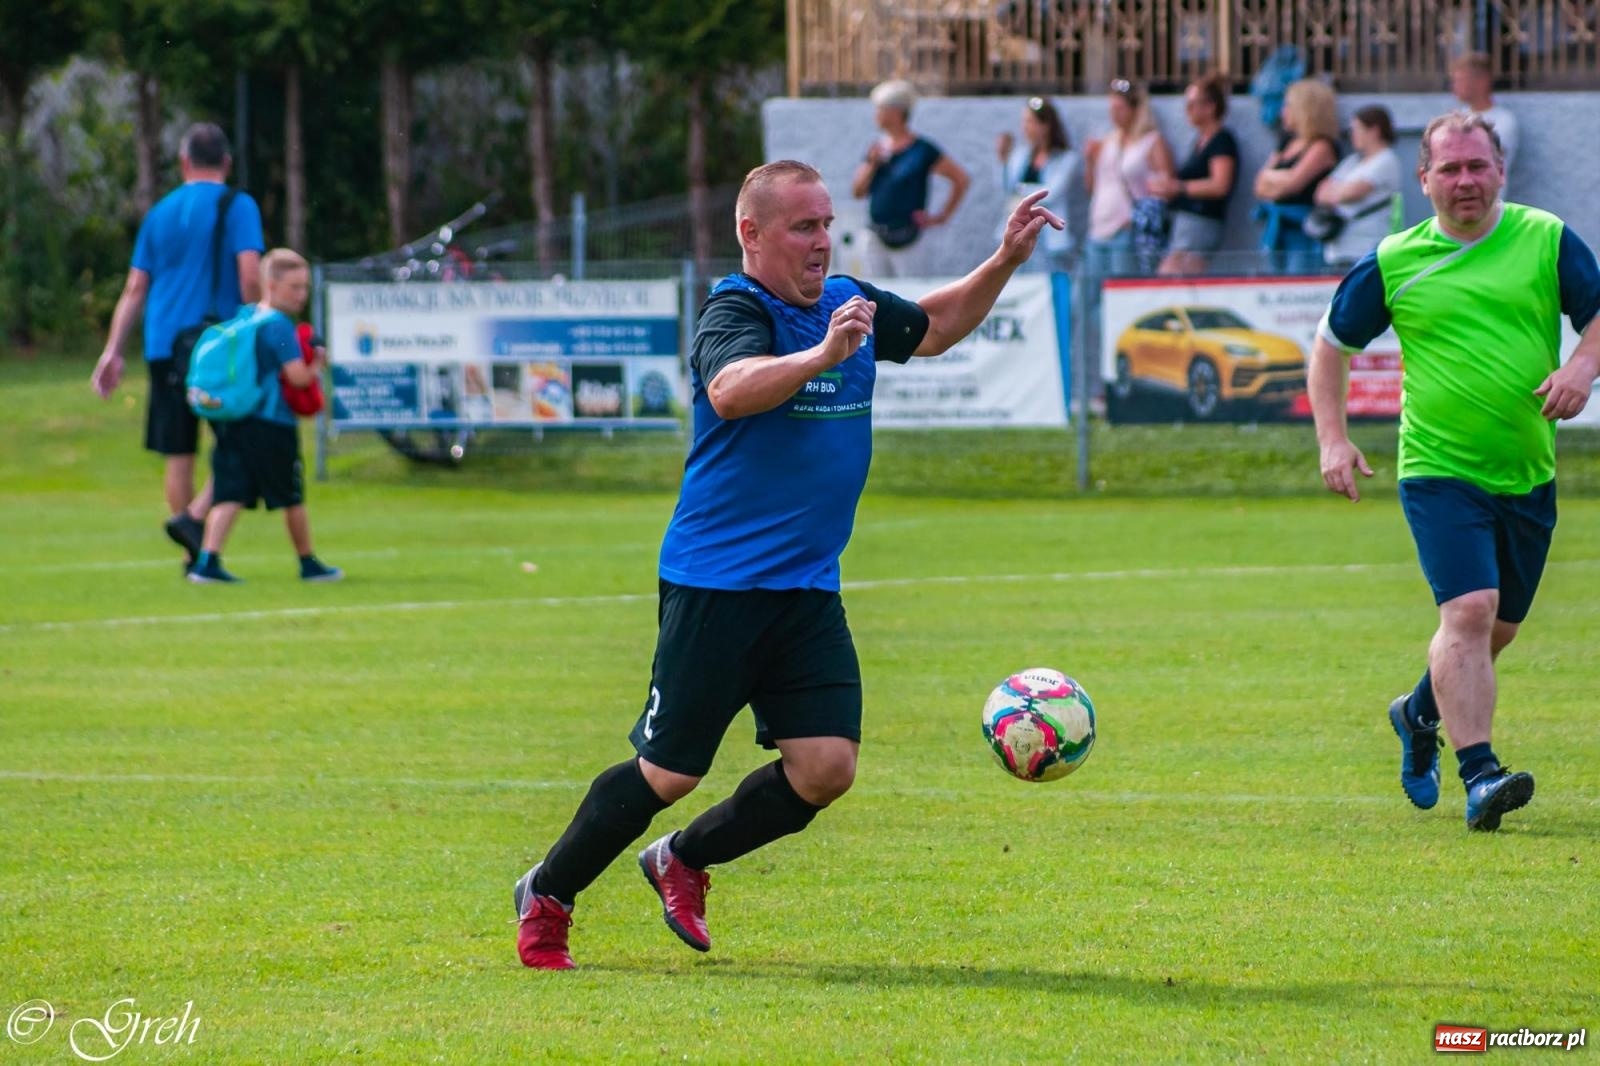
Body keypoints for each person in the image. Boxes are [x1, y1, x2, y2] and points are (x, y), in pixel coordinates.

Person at [511, 160, 1062, 970]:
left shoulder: (847, 300)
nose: (821, 241)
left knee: (824, 768)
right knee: (666, 771)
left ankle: (682, 860)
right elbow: (732, 389)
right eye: (803, 226)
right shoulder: (736, 309)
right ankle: (548, 893)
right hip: (717, 585)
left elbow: (938, 327)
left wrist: (1004, 259)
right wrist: (820, 357)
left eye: (827, 223)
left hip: (806, 588)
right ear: (752, 234)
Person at [1309, 112, 1600, 831]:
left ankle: (1416, 713)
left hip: (1527, 473)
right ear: (1424, 179)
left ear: (1500, 169)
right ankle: (1480, 777)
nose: (1465, 181)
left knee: (1495, 631)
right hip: (1438, 470)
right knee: (1467, 613)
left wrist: (1582, 367)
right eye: (1450, 169)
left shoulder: (1546, 239)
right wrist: (1333, 441)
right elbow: (1330, 346)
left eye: (1477, 166)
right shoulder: (1394, 260)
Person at [91, 122, 265, 569]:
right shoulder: (238, 205)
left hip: (164, 346)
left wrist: (112, 349)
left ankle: (192, 550)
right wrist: (259, 324)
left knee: (179, 451)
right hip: (220, 345)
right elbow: (249, 274)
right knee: (242, 439)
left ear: (184, 163)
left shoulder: (160, 213)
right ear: (226, 163)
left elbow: (134, 288)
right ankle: (196, 520)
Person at [186, 249, 343, 585]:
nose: (301, 295)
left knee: (230, 493)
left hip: (233, 420)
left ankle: (207, 562)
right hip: (271, 424)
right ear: (271, 284)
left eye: (304, 288)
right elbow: (297, 377)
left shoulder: (246, 318)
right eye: (294, 287)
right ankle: (308, 563)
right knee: (291, 496)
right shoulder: (279, 328)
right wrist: (318, 363)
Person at [850, 80, 970, 277]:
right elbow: (858, 192)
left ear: (897, 112)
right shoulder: (877, 149)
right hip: (876, 237)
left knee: (911, 297)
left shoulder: (921, 150)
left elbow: (961, 179)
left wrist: (941, 217)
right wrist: (872, 165)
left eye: (881, 109)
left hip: (910, 239)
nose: (876, 114)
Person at [1148, 73, 1239, 276]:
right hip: (1185, 222)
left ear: (1210, 106)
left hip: (1201, 222)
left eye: (1192, 104)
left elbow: (1220, 184)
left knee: (1176, 274)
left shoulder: (1221, 141)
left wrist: (1179, 187)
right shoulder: (1199, 141)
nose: (1187, 111)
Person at [1084, 79, 1173, 278]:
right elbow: (1092, 187)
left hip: (1126, 229)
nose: (1114, 114)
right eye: (1112, 108)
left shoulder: (1151, 141)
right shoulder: (1108, 141)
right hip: (1098, 226)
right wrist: (1090, 160)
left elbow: (1167, 186)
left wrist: (1136, 216)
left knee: (1121, 291)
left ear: (1135, 110)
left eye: (1120, 108)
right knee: (1090, 296)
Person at [1253, 79, 1341, 274]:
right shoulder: (1286, 142)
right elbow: (1259, 184)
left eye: (1288, 106)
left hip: (1302, 230)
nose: (1283, 111)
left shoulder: (1322, 146)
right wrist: (1279, 177)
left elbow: (1293, 184)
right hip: (1276, 226)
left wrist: (1273, 177)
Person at [995, 95, 1082, 272]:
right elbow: (1006, 189)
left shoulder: (1066, 158)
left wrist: (1020, 192)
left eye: (1030, 121)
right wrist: (1003, 161)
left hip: (1049, 238)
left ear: (1045, 125)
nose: (1025, 127)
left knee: (1055, 287)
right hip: (1020, 234)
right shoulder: (1020, 155)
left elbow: (1051, 192)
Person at [1312, 105, 1403, 269]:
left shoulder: (1386, 160)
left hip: (1366, 248)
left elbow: (1351, 193)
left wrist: (1338, 191)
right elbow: (1321, 192)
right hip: (1338, 248)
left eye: (1357, 129)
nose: (1352, 135)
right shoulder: (1353, 161)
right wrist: (1340, 191)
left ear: (1374, 130)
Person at [1450, 52, 1518, 178]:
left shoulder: (1504, 120)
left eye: (1460, 80)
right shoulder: (1456, 117)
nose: (1454, 87)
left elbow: (1487, 155)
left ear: (1482, 82)